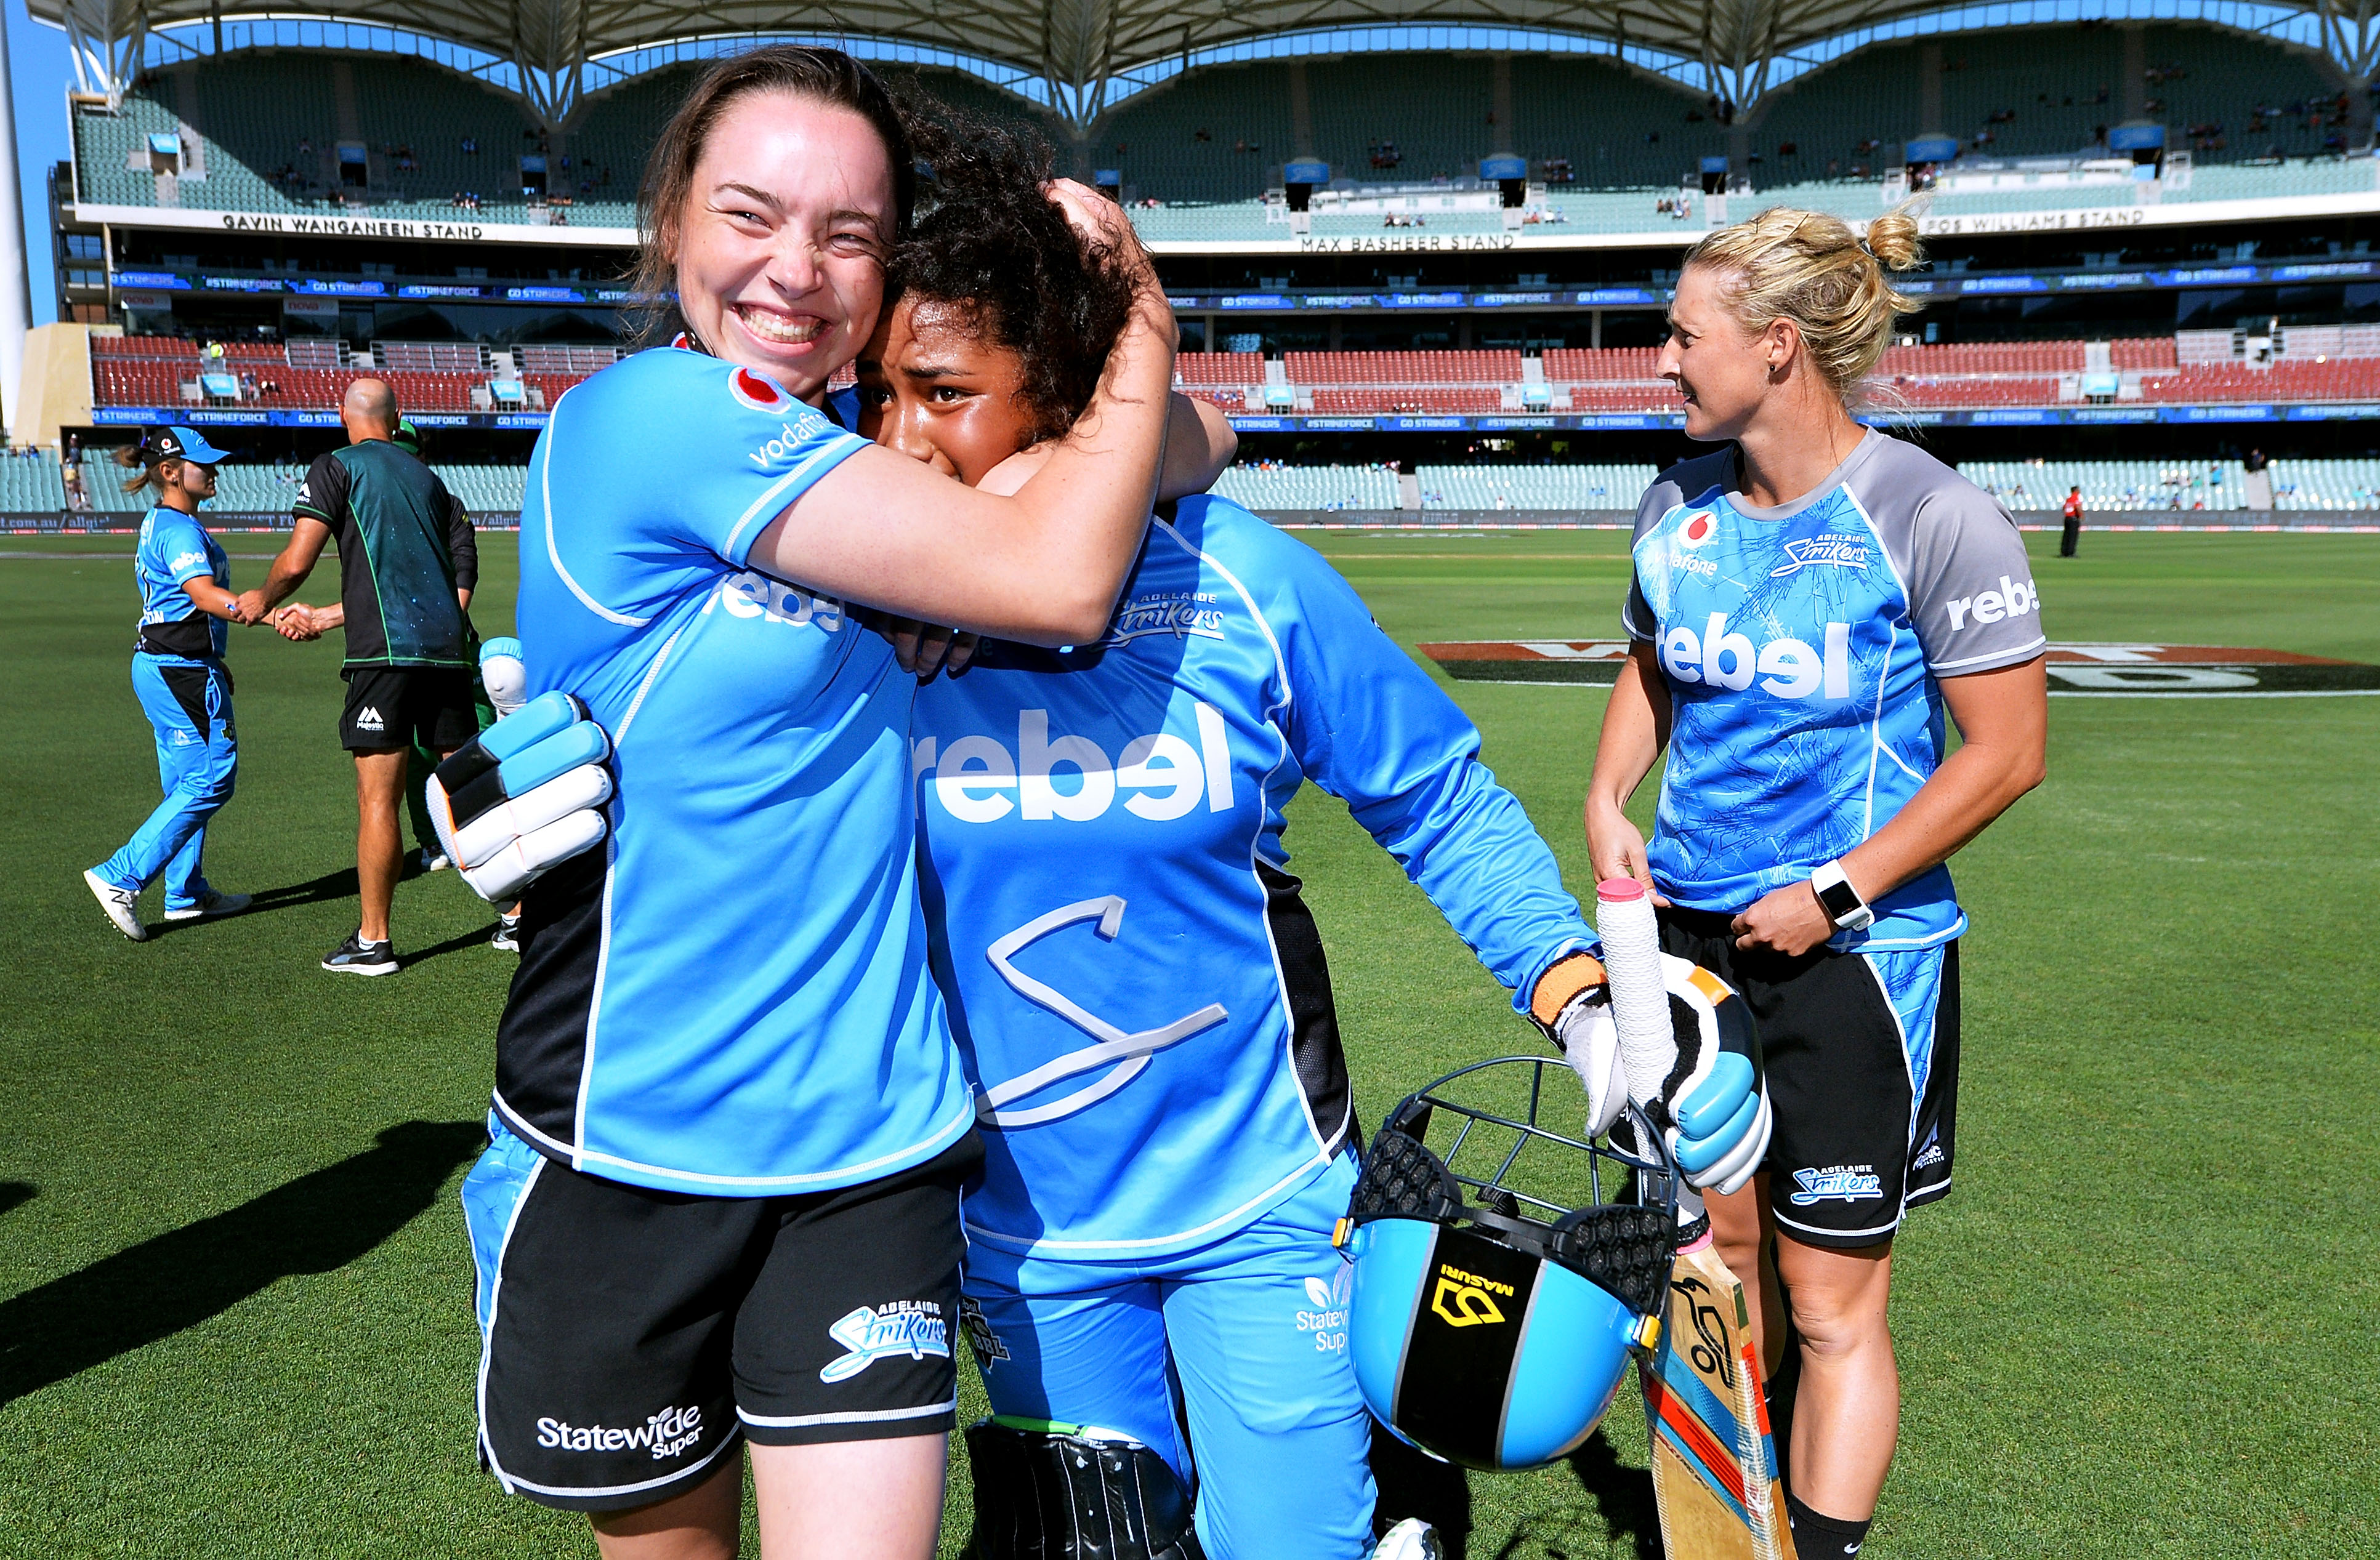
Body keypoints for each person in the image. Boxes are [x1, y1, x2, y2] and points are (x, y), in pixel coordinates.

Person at [850, 134, 1741, 1560]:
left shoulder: (1244, 584)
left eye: (943, 396)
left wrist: (1575, 999)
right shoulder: (854, 611)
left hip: (1262, 1200)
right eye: (877, 394)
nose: (895, 440)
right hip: (1019, 1236)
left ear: (1073, 398)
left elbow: (1434, 798)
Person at [453, 48, 1232, 1560]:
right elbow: (1066, 580)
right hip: (631, 1137)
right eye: (751, 216)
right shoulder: (644, 418)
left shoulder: (865, 461)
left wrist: (1004, 491)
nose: (794, 273)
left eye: (850, 235)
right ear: (673, 220)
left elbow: (1199, 446)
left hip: (868, 1147)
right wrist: (1138, 322)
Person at [1584, 206, 2047, 1560]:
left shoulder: (1931, 514)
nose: (1660, 360)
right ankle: (1734, 1520)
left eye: (1683, 334)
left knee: (1830, 1296)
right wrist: (1609, 794)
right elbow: (1654, 663)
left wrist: (1836, 893)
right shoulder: (1677, 500)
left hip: (1858, 959)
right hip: (1683, 949)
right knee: (1710, 1266)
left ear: (1777, 347)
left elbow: (2008, 752)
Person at [238, 379, 480, 975]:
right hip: (447, 654)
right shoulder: (430, 481)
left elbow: (298, 561)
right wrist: (323, 615)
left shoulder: (335, 466)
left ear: (344, 416)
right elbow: (421, 580)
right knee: (469, 788)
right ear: (397, 423)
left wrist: (260, 597)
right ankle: (519, 913)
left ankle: (375, 940)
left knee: (380, 798)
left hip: (384, 659)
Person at [82, 427, 251, 939]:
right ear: (171, 472)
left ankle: (185, 893)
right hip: (179, 670)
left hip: (168, 665)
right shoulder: (177, 528)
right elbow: (202, 595)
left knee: (185, 782)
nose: (215, 471)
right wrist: (262, 611)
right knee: (212, 779)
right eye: (205, 464)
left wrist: (216, 660)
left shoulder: (161, 520)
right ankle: (121, 876)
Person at [2060, 483, 2083, 557]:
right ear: (2076, 491)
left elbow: (2064, 508)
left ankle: (2064, 552)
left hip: (2067, 518)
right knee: (2073, 536)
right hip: (2073, 519)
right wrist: (2081, 515)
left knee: (2066, 536)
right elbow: (2078, 507)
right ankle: (2070, 553)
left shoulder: (2068, 499)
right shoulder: (2076, 498)